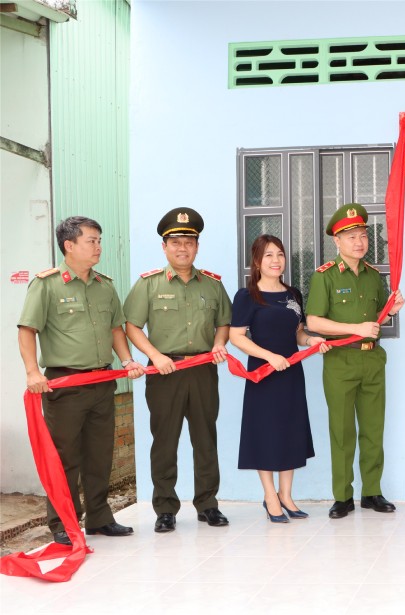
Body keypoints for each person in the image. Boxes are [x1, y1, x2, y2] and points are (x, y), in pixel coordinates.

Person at [18, 216, 144, 545]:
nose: (98, 246)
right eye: (91, 240)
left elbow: (116, 328)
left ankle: (100, 518)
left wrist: (127, 359)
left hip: (103, 382)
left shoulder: (105, 286)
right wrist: (33, 372)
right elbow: (27, 330)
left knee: (100, 453)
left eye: (99, 240)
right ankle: (63, 521)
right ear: (69, 245)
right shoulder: (46, 285)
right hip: (65, 385)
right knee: (65, 457)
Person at [124, 207, 232, 533]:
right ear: (164, 247)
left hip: (202, 370)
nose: (182, 248)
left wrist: (218, 344)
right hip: (164, 372)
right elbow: (131, 326)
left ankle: (208, 505)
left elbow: (223, 323)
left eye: (188, 242)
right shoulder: (149, 284)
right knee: (165, 441)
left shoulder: (212, 285)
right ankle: (166, 508)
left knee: (205, 438)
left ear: (197, 246)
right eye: (175, 242)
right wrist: (155, 356)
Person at [305, 204, 405, 519]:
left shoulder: (374, 276)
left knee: (374, 429)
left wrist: (389, 312)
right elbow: (315, 322)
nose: (359, 242)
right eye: (351, 236)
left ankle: (372, 492)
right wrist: (354, 329)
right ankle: (342, 496)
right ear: (337, 241)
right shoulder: (325, 276)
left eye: (363, 235)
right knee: (343, 431)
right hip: (340, 361)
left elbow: (374, 321)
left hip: (372, 360)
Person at [229, 235, 329, 523]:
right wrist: (268, 356)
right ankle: (270, 496)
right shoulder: (247, 296)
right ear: (257, 262)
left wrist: (310, 340)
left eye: (280, 255)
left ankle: (287, 495)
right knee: (266, 434)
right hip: (263, 375)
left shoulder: (293, 294)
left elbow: (297, 332)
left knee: (289, 432)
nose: (276, 260)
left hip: (290, 374)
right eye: (269, 255)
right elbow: (237, 337)